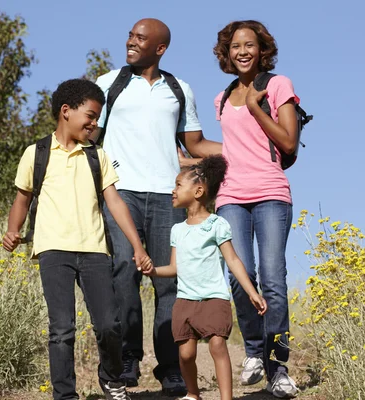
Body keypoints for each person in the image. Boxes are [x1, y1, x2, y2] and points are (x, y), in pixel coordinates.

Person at [93, 18, 222, 395]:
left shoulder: (179, 89)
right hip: (121, 193)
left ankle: (170, 368)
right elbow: (90, 136)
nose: (131, 42)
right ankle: (129, 359)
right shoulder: (108, 84)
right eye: (131, 36)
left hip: (168, 196)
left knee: (169, 282)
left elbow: (195, 145)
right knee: (123, 273)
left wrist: (242, 150)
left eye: (140, 38)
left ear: (160, 48)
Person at [2, 79, 153, 400]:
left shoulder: (96, 155)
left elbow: (114, 202)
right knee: (61, 330)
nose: (95, 123)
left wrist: (137, 247)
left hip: (95, 252)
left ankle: (111, 378)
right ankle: (65, 395)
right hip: (53, 251)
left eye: (98, 118)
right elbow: (22, 198)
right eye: (91, 115)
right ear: (66, 112)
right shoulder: (37, 153)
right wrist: (13, 230)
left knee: (110, 324)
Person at [212, 20, 301, 398]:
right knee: (240, 274)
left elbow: (288, 143)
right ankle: (253, 352)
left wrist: (255, 107)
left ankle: (278, 367)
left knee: (273, 280)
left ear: (262, 49)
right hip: (230, 193)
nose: (242, 51)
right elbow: (230, 149)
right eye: (235, 46)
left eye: (250, 45)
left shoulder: (277, 86)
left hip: (270, 192)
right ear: (227, 53)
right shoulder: (221, 97)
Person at [141, 155, 267, 400]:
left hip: (214, 299)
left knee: (218, 345)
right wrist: (153, 271)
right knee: (186, 355)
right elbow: (174, 268)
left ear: (198, 191)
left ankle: (226, 398)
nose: (173, 190)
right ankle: (193, 394)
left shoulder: (217, 225)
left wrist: (252, 292)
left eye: (178, 185)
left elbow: (232, 260)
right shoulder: (177, 230)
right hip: (185, 301)